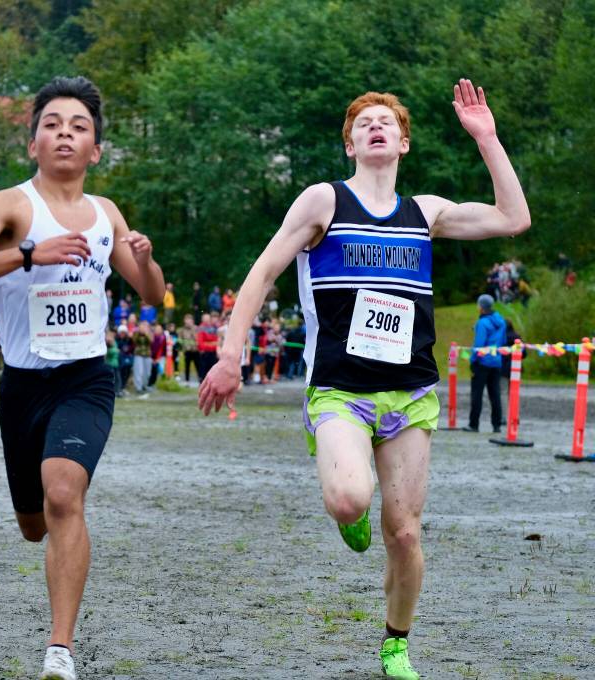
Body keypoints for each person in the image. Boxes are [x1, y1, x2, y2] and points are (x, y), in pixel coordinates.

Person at [199, 80, 530, 678]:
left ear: (403, 143)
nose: (375, 127)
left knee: (403, 535)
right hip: (341, 392)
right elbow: (264, 271)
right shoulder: (323, 202)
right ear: (350, 143)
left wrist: (487, 138)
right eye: (363, 123)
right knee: (350, 497)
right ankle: (346, 499)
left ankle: (396, 642)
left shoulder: (424, 213)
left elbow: (514, 217)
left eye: (387, 122)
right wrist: (230, 353)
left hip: (410, 394)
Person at [0, 76, 165, 680]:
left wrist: (141, 256)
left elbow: (152, 292)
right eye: (53, 124)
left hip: (86, 378)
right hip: (24, 386)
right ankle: (40, 536)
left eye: (79, 126)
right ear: (32, 142)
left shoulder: (106, 213)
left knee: (65, 493)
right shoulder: (9, 207)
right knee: (34, 524)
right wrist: (28, 254)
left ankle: (59, 649)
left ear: (96, 150)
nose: (65, 133)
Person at [464, 294, 506, 433]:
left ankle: (474, 424)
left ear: (481, 307)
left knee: (477, 394)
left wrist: (473, 360)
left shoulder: (482, 323)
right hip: (496, 361)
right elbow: (503, 341)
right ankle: (497, 425)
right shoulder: (501, 321)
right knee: (495, 395)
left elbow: (479, 345)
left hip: (482, 363)